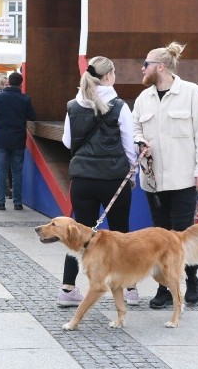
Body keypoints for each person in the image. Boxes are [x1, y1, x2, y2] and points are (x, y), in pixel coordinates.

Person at [132, 42, 198, 307]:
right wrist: (139, 141)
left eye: (146, 64)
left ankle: (191, 279)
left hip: (183, 179)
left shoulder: (191, 93)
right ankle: (164, 288)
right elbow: (134, 129)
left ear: (160, 67)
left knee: (182, 234)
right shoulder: (143, 99)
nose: (142, 69)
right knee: (159, 237)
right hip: (153, 181)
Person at [58, 57, 139, 307]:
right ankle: (128, 289)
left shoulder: (73, 105)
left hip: (82, 178)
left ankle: (68, 288)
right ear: (109, 76)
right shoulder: (120, 106)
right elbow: (129, 146)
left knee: (78, 233)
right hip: (114, 178)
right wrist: (131, 174)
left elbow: (68, 142)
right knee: (120, 233)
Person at [0, 71, 36, 211]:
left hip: (2, 139)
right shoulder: (25, 99)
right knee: (17, 172)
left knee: (1, 171)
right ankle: (17, 202)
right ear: (21, 84)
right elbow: (32, 116)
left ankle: (0, 202)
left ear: (8, 82)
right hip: (18, 139)